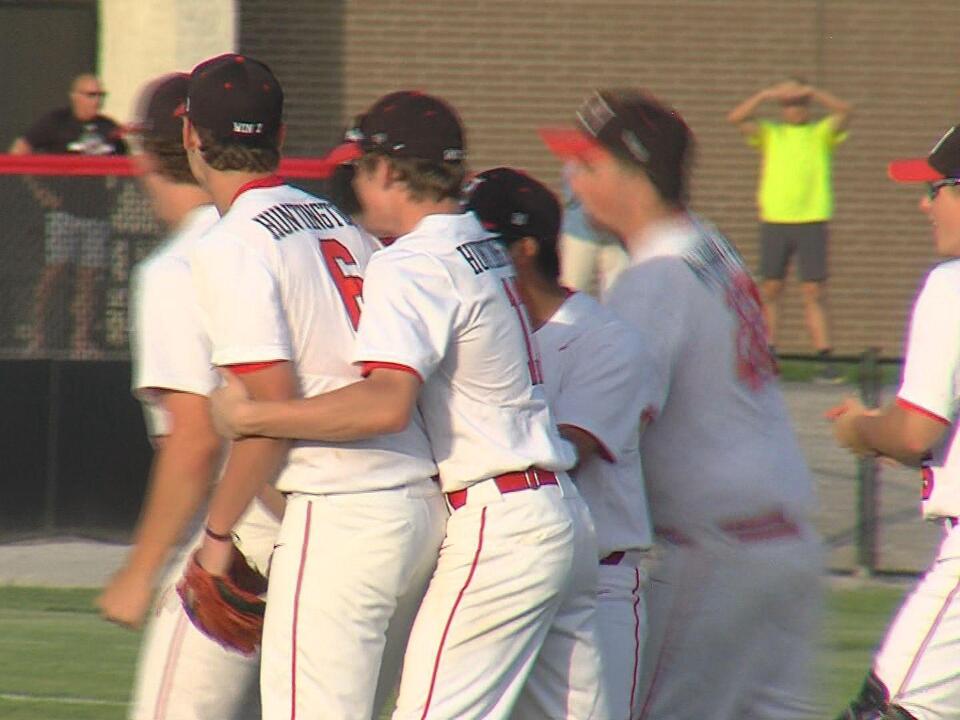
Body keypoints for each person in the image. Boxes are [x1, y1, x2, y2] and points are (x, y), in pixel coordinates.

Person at [209, 90, 608, 719]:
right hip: (559, 514)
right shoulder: (482, 243)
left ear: (390, 172)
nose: (358, 188)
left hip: (499, 523)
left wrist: (256, 417)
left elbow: (386, 404)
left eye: (362, 169)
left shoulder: (414, 261)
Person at [179, 56, 446, 720]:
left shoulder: (232, 244)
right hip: (420, 504)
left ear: (191, 136)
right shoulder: (338, 222)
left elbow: (265, 416)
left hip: (345, 514)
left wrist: (216, 540)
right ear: (281, 132)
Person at [542, 89, 823, 720]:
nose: (572, 180)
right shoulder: (709, 246)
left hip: (717, 552)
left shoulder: (654, 279)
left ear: (631, 175)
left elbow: (597, 429)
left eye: (586, 165)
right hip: (785, 540)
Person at [94, 72, 283, 720]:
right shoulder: (288, 228)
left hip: (247, 536)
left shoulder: (182, 265)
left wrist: (140, 570)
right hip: (336, 527)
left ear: (159, 147)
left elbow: (196, 437)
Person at [464, 166, 655, 719]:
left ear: (522, 249)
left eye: (480, 243)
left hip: (599, 583)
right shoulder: (482, 333)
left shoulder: (606, 338)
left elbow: (565, 452)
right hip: (505, 573)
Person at [828, 124, 960, 720]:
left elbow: (914, 432)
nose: (925, 203)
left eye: (937, 189)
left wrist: (860, 429)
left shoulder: (952, 285)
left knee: (889, 708)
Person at [727, 77, 852, 379]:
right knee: (771, 288)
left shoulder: (819, 133)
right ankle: (768, 352)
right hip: (776, 220)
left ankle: (824, 358)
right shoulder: (772, 134)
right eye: (788, 104)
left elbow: (846, 111)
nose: (793, 109)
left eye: (798, 103)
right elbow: (736, 118)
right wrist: (767, 93)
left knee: (813, 290)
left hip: (811, 219)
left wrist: (812, 91)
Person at [10, 73, 127, 357]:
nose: (95, 101)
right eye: (90, 95)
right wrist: (41, 193)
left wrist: (114, 197)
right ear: (75, 96)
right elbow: (19, 153)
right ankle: (37, 335)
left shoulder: (108, 129)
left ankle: (81, 341)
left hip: (95, 214)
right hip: (64, 213)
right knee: (54, 273)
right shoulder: (56, 122)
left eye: (100, 95)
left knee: (89, 279)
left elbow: (126, 163)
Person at [559, 175, 628, 297]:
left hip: (618, 234)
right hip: (580, 231)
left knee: (620, 297)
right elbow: (572, 175)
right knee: (571, 292)